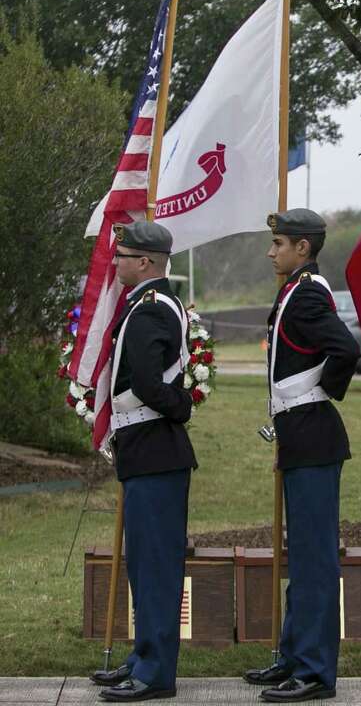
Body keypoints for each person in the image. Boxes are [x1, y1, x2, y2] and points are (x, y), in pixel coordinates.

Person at [244, 209, 360, 703]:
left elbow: (346, 350)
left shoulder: (309, 292)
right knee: (302, 559)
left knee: (314, 563)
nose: (271, 251)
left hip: (313, 435)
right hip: (300, 437)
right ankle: (293, 656)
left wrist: (318, 393)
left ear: (303, 249)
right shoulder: (295, 288)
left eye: (279, 243)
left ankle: (314, 671)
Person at [91, 222, 196, 702]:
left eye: (124, 256)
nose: (116, 264)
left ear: (147, 263)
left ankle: (155, 672)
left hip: (155, 451)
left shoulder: (150, 311)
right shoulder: (143, 304)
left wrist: (181, 409)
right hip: (146, 453)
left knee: (154, 567)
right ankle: (142, 657)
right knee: (143, 565)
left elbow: (151, 384)